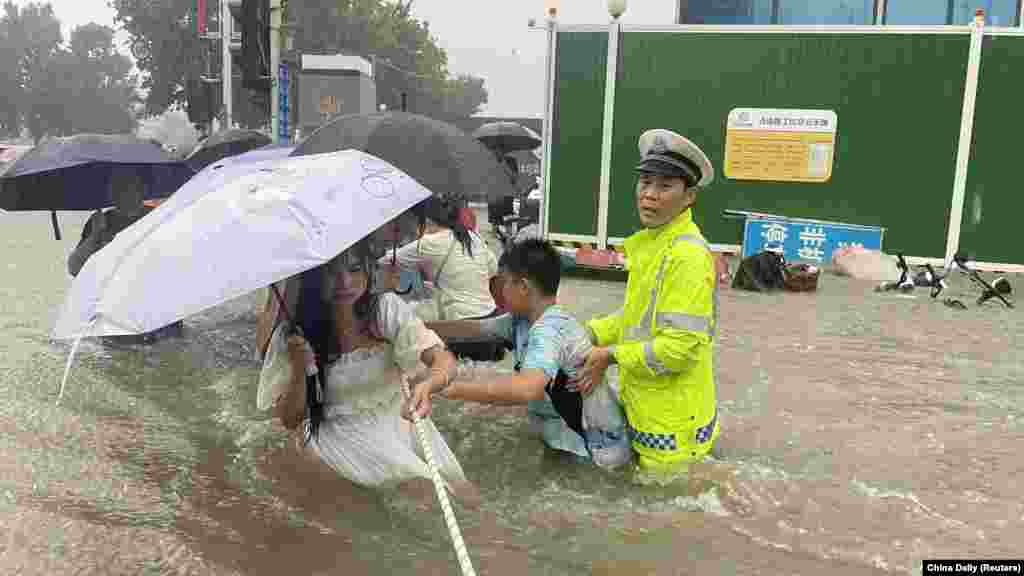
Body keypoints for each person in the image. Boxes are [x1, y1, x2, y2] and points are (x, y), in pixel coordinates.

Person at [258, 239, 469, 491]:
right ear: (313, 279)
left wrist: (429, 384)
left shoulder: (385, 310)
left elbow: (442, 359)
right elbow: (291, 420)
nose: (345, 282)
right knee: (422, 491)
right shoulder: (294, 335)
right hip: (339, 439)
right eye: (331, 273)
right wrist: (299, 367)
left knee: (464, 493)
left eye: (355, 269)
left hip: (402, 425)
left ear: (368, 269)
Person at [406, 239, 631, 470]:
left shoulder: (549, 331)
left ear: (523, 287)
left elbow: (526, 389)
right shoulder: (522, 320)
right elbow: (472, 328)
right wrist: (408, 328)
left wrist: (447, 387)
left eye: (504, 284)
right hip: (568, 433)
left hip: (597, 452)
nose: (500, 292)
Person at [577, 129, 721, 475]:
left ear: (689, 196)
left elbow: (679, 348)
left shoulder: (685, 255)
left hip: (673, 432)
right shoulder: (654, 245)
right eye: (645, 182)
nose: (649, 196)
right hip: (649, 410)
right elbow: (638, 317)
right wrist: (588, 332)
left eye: (665, 186)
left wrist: (608, 355)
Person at [381, 195, 503, 361]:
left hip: (461, 330)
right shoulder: (472, 236)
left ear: (424, 222)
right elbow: (493, 269)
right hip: (491, 322)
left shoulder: (429, 243)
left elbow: (384, 262)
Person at [67, 169, 183, 342]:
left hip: (159, 305)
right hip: (115, 310)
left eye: (129, 186)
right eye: (116, 187)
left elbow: (179, 260)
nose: (123, 192)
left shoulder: (159, 215)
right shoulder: (99, 221)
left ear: (142, 190)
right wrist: (94, 236)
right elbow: (75, 268)